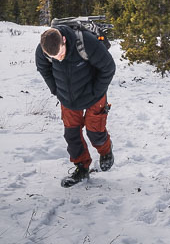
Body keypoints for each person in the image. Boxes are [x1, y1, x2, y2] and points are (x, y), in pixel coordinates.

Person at [35, 24, 116, 186]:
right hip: (68, 98)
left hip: (94, 95)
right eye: (54, 57)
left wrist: (96, 92)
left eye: (60, 54)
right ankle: (82, 168)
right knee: (72, 135)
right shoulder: (43, 50)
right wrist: (56, 91)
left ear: (63, 40)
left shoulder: (86, 43)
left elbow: (108, 68)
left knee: (95, 132)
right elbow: (43, 68)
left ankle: (106, 151)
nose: (58, 59)